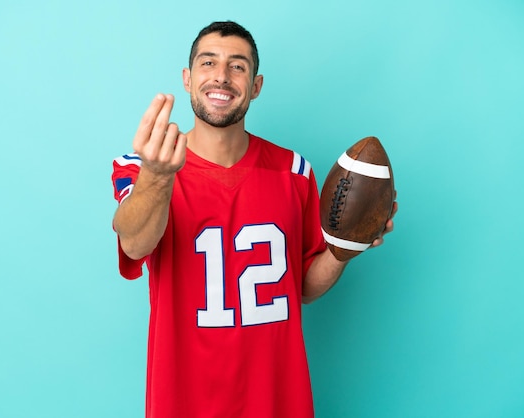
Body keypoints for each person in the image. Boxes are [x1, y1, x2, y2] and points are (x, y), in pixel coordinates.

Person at [111, 21, 396, 418]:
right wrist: (158, 176)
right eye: (208, 62)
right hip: (185, 401)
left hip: (278, 401)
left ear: (256, 85)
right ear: (188, 79)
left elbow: (303, 288)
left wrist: (346, 246)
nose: (222, 77)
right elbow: (134, 243)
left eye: (238, 66)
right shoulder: (143, 168)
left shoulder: (294, 171)